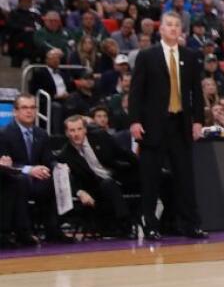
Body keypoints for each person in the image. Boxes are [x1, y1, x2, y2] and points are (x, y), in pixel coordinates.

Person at [129, 11, 208, 240]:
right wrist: (134, 120)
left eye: (177, 25)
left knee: (185, 178)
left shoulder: (190, 56)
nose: (173, 28)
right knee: (151, 178)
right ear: (161, 29)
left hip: (180, 124)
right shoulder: (147, 56)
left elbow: (196, 93)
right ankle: (150, 224)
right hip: (153, 126)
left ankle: (191, 224)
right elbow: (136, 92)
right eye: (169, 25)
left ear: (181, 30)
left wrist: (198, 121)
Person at [0, 94, 74, 245]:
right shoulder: (4, 134)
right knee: (20, 181)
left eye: (32, 107)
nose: (29, 111)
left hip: (36, 179)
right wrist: (29, 169)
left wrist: (57, 166)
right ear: (15, 112)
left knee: (59, 177)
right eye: (25, 108)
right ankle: (23, 233)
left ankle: (54, 230)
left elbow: (48, 159)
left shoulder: (41, 133)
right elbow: (5, 164)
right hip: (13, 178)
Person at [57, 115, 137, 238]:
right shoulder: (65, 154)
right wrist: (79, 192)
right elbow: (68, 180)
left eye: (79, 129)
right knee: (108, 184)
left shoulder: (100, 136)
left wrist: (144, 167)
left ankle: (169, 221)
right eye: (72, 131)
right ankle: (126, 225)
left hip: (118, 175)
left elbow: (123, 153)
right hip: (95, 188)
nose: (76, 134)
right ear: (67, 133)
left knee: (162, 178)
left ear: (85, 129)